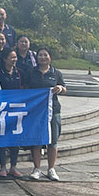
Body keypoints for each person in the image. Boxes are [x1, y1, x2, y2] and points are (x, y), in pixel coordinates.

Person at [26, 47, 66, 181]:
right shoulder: (31, 72)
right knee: (37, 140)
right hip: (36, 111)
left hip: (53, 110)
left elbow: (64, 88)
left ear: (50, 57)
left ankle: (51, 169)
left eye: (45, 55)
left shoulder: (56, 73)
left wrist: (60, 88)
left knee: (53, 141)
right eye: (40, 55)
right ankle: (37, 168)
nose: (43, 57)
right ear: (36, 58)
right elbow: (25, 89)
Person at [0, 47, 24, 178]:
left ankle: (13, 166)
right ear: (4, 59)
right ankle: (2, 166)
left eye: (15, 57)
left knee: (15, 139)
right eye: (12, 57)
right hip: (2, 110)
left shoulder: (20, 72)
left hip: (16, 110)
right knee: (2, 138)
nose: (14, 60)